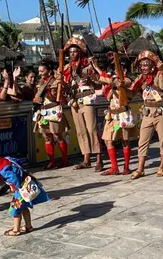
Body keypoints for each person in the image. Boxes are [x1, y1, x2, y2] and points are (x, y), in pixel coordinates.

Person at [60, 37, 103, 172]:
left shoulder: (88, 66)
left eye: (75, 51)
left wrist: (92, 73)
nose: (72, 54)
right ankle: (86, 158)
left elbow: (98, 81)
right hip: (75, 101)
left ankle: (99, 158)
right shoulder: (66, 68)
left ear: (80, 52)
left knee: (92, 130)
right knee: (80, 131)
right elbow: (65, 86)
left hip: (87, 99)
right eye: (70, 52)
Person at [128, 50, 163, 179]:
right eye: (142, 65)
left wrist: (162, 70)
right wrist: (121, 87)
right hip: (147, 112)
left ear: (152, 65)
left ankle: (162, 167)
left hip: (160, 111)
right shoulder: (141, 78)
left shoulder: (159, 75)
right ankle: (140, 168)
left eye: (146, 64)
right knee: (142, 140)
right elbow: (131, 93)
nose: (143, 67)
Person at [90, 59, 137, 176]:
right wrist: (96, 69)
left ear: (124, 70)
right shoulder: (112, 81)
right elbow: (109, 81)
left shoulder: (127, 80)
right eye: (115, 68)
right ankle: (114, 167)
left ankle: (126, 167)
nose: (116, 71)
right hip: (112, 115)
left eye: (118, 68)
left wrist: (99, 73)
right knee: (107, 140)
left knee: (125, 141)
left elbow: (120, 83)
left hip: (123, 115)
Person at [0, 156, 49, 236]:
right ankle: (28, 226)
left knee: (15, 209)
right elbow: (17, 161)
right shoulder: (5, 160)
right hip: (25, 185)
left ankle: (16, 230)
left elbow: (14, 178)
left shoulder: (3, 170)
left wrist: (13, 187)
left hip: (20, 189)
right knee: (24, 206)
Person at [32, 60, 71, 170]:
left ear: (48, 71)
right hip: (43, 111)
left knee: (57, 136)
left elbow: (58, 98)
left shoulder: (55, 82)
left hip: (53, 110)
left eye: (42, 71)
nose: (39, 73)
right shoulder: (40, 82)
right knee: (46, 137)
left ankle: (65, 160)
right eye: (39, 71)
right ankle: (52, 161)